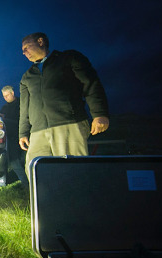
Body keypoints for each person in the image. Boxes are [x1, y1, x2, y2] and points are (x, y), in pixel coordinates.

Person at [19, 32, 110, 178]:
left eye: (27, 47)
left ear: (40, 41)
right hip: (38, 130)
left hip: (68, 123)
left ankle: (78, 200)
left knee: (73, 172)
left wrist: (99, 114)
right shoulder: (27, 77)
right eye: (23, 50)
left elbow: (91, 84)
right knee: (34, 170)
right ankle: (46, 201)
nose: (24, 53)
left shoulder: (68, 59)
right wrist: (23, 132)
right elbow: (24, 108)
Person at [0, 86, 29, 187]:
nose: (6, 98)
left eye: (7, 95)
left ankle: (32, 181)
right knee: (14, 163)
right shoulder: (4, 108)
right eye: (4, 96)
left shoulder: (21, 104)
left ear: (12, 93)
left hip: (24, 135)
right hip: (11, 138)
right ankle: (26, 184)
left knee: (25, 160)